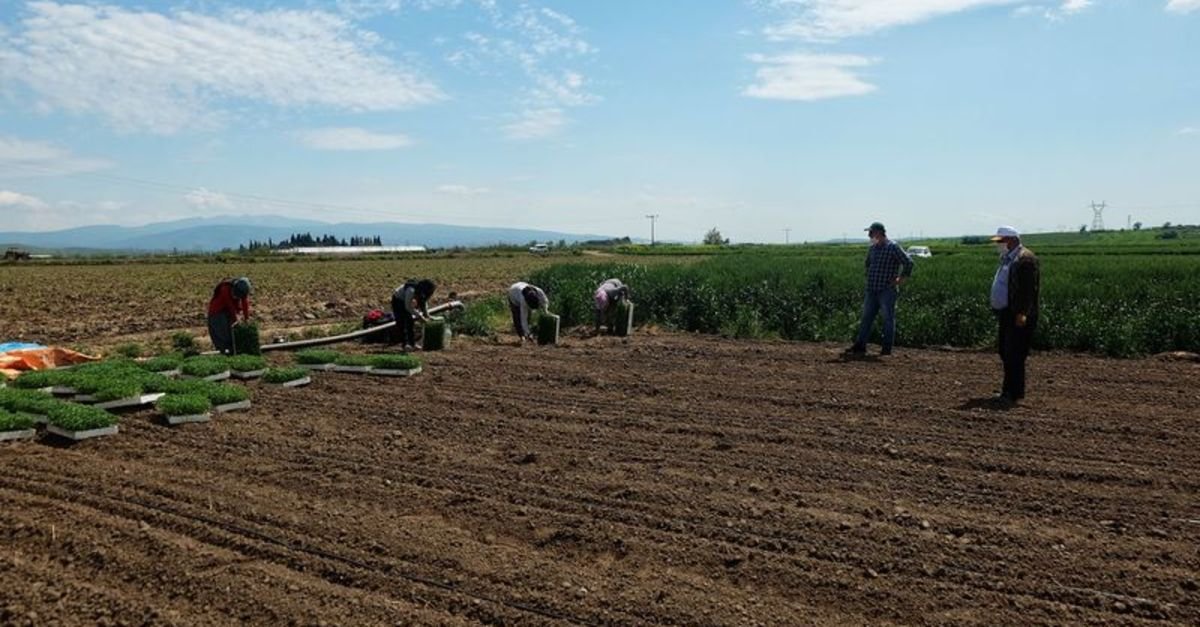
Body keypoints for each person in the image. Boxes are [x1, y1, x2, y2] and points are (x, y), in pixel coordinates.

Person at [989, 226, 1040, 404]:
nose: (998, 245)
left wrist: (1022, 313)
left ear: (1010, 240)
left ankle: (1013, 393)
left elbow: (1027, 290)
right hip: (1006, 313)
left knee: (1015, 354)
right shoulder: (1007, 258)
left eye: (1000, 241)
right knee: (1005, 352)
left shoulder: (1025, 259)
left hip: (1017, 315)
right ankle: (1008, 390)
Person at [848, 222, 913, 356]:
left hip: (886, 290)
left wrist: (900, 279)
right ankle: (860, 346)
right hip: (871, 290)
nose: (869, 236)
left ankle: (886, 349)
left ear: (879, 232)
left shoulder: (893, 247)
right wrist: (869, 274)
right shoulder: (873, 248)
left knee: (888, 319)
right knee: (866, 318)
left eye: (871, 233)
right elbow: (867, 264)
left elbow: (908, 262)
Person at [207, 277, 251, 354]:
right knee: (224, 335)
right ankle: (225, 352)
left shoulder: (243, 290)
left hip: (227, 312)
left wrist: (247, 318)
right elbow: (230, 306)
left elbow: (245, 303)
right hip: (217, 313)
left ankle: (235, 350)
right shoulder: (225, 289)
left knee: (233, 333)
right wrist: (236, 319)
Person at [391, 279, 437, 351]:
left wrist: (427, 315)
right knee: (402, 322)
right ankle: (405, 345)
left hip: (406, 301)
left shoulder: (421, 292)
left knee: (410, 322)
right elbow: (408, 307)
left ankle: (412, 344)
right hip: (398, 300)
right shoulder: (411, 290)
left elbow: (423, 303)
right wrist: (419, 316)